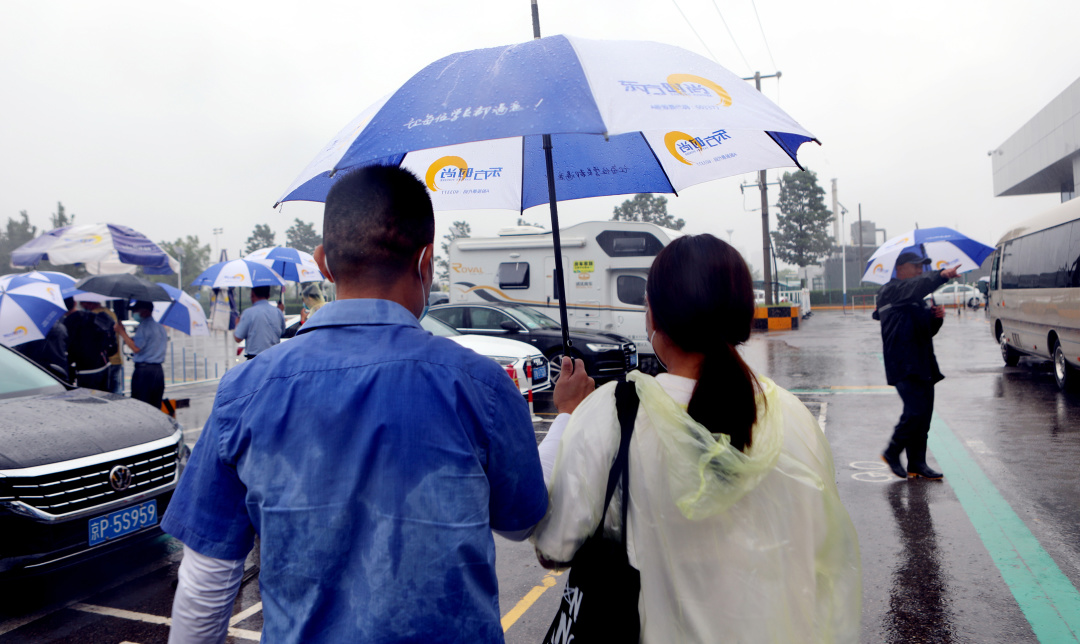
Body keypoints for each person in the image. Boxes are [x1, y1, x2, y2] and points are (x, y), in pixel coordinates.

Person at [162, 165, 548, 643]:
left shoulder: (244, 392)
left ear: (324, 263)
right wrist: (568, 417)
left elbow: (207, 583)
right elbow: (520, 524)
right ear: (426, 262)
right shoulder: (483, 386)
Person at [531, 234, 862, 643]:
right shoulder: (794, 417)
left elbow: (554, 547)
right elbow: (820, 555)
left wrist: (568, 415)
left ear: (654, 316)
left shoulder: (615, 413)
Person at [873, 249, 960, 480]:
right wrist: (941, 275)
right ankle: (892, 451)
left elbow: (926, 332)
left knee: (924, 417)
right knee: (915, 412)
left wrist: (935, 319)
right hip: (902, 363)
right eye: (916, 266)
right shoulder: (891, 291)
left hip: (922, 364)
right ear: (900, 268)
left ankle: (916, 464)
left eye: (922, 267)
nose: (920, 270)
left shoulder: (915, 298)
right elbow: (916, 287)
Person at [115, 301, 167, 410]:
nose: (134, 313)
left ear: (145, 312)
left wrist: (121, 332)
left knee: (141, 406)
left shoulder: (144, 327)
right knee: (155, 406)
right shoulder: (160, 327)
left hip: (144, 372)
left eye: (136, 311)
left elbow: (136, 348)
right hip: (158, 371)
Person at [16, 296, 75, 383]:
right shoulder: (60, 327)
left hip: (37, 373)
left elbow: (21, 353)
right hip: (59, 371)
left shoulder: (28, 330)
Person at [65, 300, 118, 391]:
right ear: (74, 303)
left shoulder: (68, 323)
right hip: (104, 365)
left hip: (85, 370)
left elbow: (68, 349)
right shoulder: (93, 316)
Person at [81, 299, 124, 393]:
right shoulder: (110, 312)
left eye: (82, 303)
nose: (82, 305)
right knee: (116, 391)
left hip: (104, 361)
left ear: (89, 302)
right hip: (117, 358)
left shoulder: (93, 316)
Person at [233, 285, 285, 359]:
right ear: (268, 295)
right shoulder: (278, 312)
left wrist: (237, 324)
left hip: (254, 359)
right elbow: (282, 332)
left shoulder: (248, 313)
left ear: (252, 294)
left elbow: (238, 338)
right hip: (274, 358)